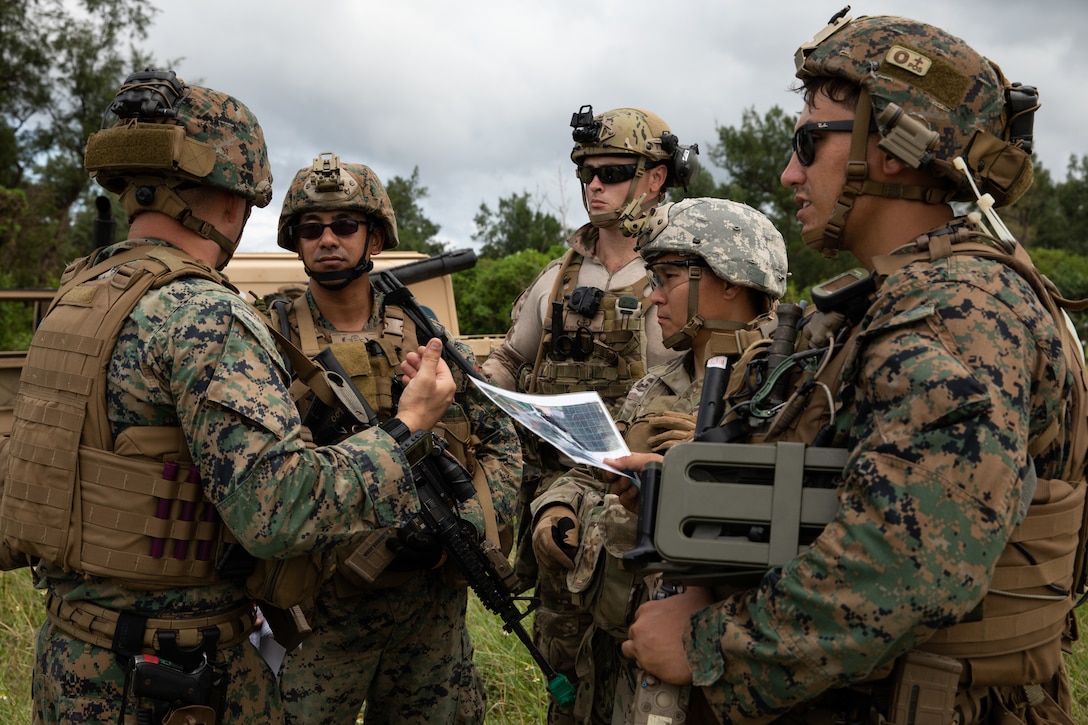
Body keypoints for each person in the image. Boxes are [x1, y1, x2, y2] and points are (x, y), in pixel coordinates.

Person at [619, 10, 1088, 724]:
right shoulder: (896, 298)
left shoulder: (954, 310)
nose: (789, 171)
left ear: (894, 148)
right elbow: (852, 478)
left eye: (809, 141)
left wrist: (710, 645)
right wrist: (694, 495)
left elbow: (913, 562)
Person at [0, 69, 458, 725]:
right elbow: (276, 510)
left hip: (73, 657)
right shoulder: (203, 313)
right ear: (226, 197)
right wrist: (407, 426)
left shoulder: (76, 296)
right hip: (175, 678)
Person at [267, 152, 521, 725]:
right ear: (295, 241)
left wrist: (465, 528)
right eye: (311, 228)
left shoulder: (426, 332)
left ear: (374, 236)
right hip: (322, 611)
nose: (327, 239)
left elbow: (501, 440)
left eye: (344, 226)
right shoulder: (269, 335)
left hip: (429, 610)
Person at [530, 197, 788, 723]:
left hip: (705, 659)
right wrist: (556, 507)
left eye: (666, 277)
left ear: (730, 280)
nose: (651, 296)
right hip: (617, 643)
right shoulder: (653, 386)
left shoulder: (783, 390)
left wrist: (716, 461)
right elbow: (591, 467)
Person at [480, 104, 698, 723]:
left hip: (648, 510)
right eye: (586, 173)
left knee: (647, 674)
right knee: (567, 665)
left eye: (612, 171)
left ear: (655, 178)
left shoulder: (688, 272)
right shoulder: (557, 279)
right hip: (561, 516)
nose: (594, 184)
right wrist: (471, 387)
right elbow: (508, 362)